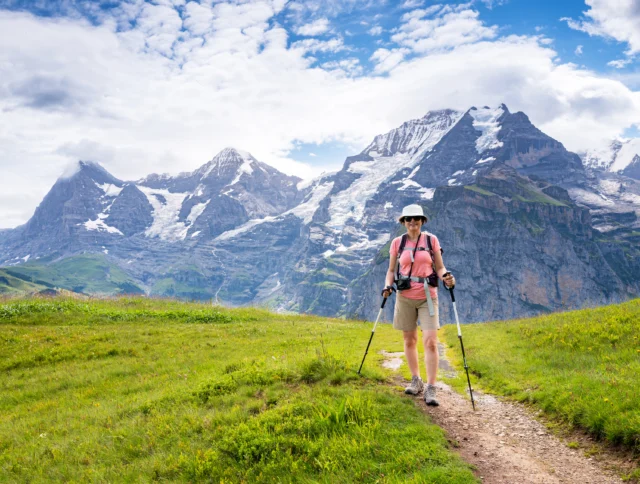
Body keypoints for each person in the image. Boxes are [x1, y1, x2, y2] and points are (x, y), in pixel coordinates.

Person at [381, 204, 455, 406]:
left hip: (427, 296)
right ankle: (416, 380)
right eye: (408, 219)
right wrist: (388, 286)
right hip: (404, 295)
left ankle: (431, 387)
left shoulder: (431, 241)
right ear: (403, 222)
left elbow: (439, 268)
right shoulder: (397, 243)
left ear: (422, 221)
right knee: (409, 340)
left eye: (416, 218)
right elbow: (390, 270)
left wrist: (447, 277)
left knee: (430, 341)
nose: (412, 222)